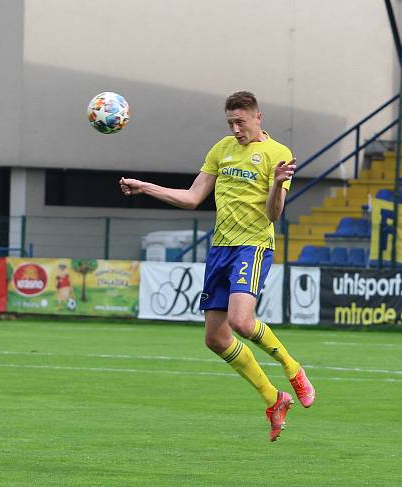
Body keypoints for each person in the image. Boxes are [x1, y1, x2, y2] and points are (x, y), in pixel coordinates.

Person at [119, 91, 315, 441]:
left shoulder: (278, 154)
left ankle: (293, 369)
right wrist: (145, 187)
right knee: (215, 338)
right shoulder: (221, 149)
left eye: (240, 122)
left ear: (258, 117)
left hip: (253, 246)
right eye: (230, 123)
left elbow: (274, 214)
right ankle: (274, 399)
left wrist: (278, 184)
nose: (236, 129)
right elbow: (193, 198)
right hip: (221, 248)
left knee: (241, 321)